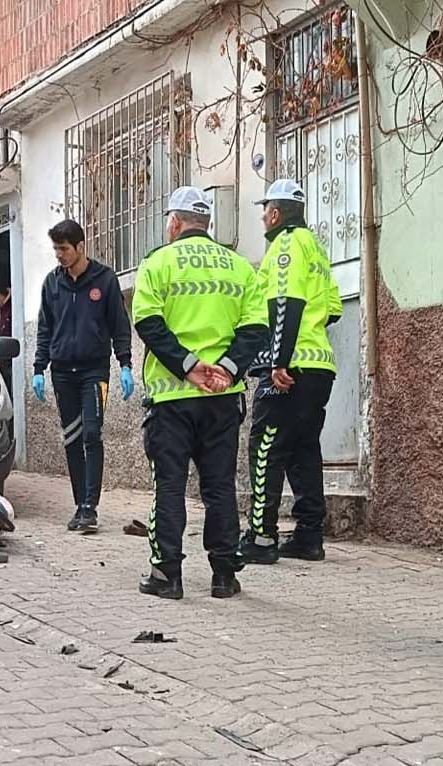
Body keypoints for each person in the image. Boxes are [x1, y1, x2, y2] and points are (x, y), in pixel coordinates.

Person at [131, 188, 269, 600]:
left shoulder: (158, 262)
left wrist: (188, 366)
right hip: (223, 398)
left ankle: (166, 575)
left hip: (172, 398)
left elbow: (149, 324)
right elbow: (255, 328)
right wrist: (225, 370)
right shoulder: (240, 267)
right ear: (206, 224)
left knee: (169, 486)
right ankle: (224, 576)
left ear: (174, 223)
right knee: (219, 486)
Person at [241, 179, 343, 565]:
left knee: (265, 446)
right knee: (304, 450)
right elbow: (332, 308)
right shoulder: (315, 247)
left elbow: (285, 302)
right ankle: (308, 536)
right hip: (319, 366)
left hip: (290, 367)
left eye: (265, 210)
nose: (263, 217)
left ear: (275, 213)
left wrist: (278, 360)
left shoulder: (284, 245)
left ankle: (262, 537)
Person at [32, 219, 134, 534]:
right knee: (73, 439)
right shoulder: (52, 283)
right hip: (63, 372)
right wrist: (39, 368)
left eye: (64, 249)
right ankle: (80, 505)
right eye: (56, 250)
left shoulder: (104, 280)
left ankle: (90, 508)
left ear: (80, 247)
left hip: (94, 372)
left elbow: (119, 324)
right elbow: (45, 327)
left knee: (92, 434)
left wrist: (126, 363)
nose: (59, 255)